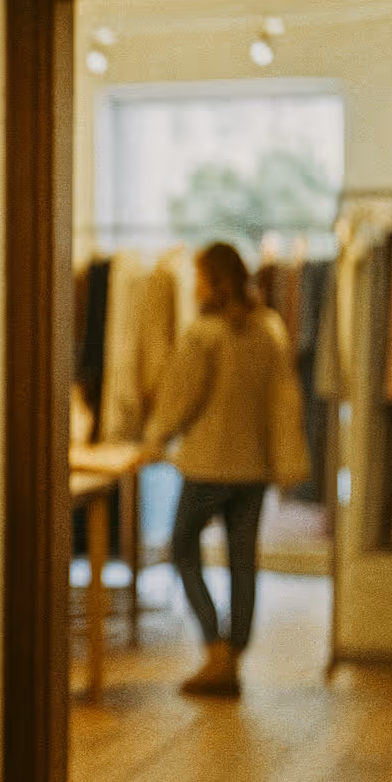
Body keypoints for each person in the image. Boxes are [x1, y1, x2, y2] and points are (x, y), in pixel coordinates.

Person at [141, 241, 308, 696]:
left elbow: (181, 399)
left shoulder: (204, 334)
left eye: (199, 277)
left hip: (207, 467)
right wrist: (285, 460)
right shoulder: (269, 327)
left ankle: (214, 649)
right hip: (253, 470)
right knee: (242, 563)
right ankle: (233, 658)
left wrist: (153, 440)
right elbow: (284, 400)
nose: (194, 286)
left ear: (213, 280)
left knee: (181, 549)